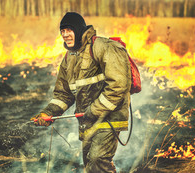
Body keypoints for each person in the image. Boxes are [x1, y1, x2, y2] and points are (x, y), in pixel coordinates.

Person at [31, 12, 132, 173]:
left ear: (78, 30)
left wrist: (94, 110)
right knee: (90, 166)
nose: (65, 35)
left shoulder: (102, 47)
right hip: (87, 121)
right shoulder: (69, 58)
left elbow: (119, 84)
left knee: (98, 161)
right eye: (62, 31)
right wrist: (47, 113)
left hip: (108, 118)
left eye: (68, 30)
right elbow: (63, 95)